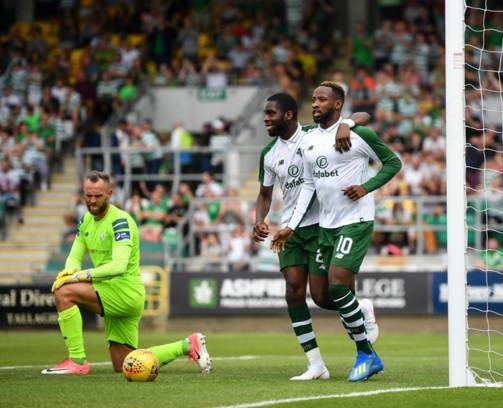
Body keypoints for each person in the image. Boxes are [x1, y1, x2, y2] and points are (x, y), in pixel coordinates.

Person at [271, 82, 402, 382]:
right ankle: (363, 308)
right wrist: (291, 225)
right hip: (325, 225)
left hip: (355, 220)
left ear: (338, 104)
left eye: (322, 99)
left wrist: (365, 186)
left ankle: (366, 354)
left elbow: (393, 162)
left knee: (339, 285)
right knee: (320, 296)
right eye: (313, 98)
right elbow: (308, 184)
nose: (315, 103)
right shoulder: (308, 140)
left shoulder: (357, 134)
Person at [252, 92, 375, 381]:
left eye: (271, 114)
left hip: (322, 224)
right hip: (289, 229)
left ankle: (361, 308)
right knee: (293, 291)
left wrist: (346, 123)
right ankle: (316, 365)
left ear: (288, 115)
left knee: (322, 297)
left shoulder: (314, 133)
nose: (266, 119)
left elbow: (364, 117)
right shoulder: (268, 154)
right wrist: (260, 220)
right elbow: (264, 194)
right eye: (265, 114)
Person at [42, 171, 211, 375]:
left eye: (98, 196)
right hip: (109, 291)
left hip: (124, 292)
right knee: (126, 365)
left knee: (64, 292)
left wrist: (77, 276)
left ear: (110, 193)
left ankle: (77, 360)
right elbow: (75, 256)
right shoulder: (86, 220)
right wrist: (68, 271)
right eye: (88, 195)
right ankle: (188, 345)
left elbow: (118, 266)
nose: (92, 201)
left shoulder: (120, 221)